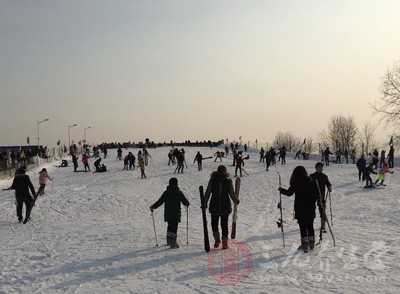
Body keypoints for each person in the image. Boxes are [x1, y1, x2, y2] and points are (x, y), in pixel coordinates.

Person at [278, 166, 319, 252]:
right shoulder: (311, 180)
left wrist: (281, 190)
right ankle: (311, 243)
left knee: (303, 226)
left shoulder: (296, 181)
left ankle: (304, 245)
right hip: (310, 206)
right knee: (310, 224)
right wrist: (313, 201)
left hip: (300, 207)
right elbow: (317, 193)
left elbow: (289, 193)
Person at [204, 165, 239, 249]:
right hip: (224, 207)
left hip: (215, 206)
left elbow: (208, 192)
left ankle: (218, 240)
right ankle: (224, 242)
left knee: (215, 224)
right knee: (224, 225)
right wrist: (235, 200)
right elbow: (231, 193)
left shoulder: (213, 180)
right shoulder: (227, 181)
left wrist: (205, 202)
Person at [150, 178, 190, 249]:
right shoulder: (178, 192)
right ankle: (173, 244)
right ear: (177, 183)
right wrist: (187, 204)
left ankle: (169, 241)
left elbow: (160, 201)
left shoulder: (166, 192)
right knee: (174, 227)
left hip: (168, 214)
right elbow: (186, 202)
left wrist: (153, 207)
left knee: (170, 226)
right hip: (176, 213)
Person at [310, 162, 332, 233]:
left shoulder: (324, 176)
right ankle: (309, 223)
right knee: (310, 209)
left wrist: (329, 187)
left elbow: (328, 183)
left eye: (321, 167)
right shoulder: (312, 176)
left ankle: (323, 225)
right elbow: (307, 184)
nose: (320, 168)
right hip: (312, 195)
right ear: (316, 168)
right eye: (319, 167)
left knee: (322, 210)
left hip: (321, 195)